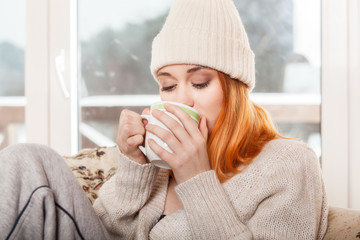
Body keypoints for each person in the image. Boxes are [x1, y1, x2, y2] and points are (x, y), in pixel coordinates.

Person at [0, 0, 328, 239]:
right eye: (168, 86)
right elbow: (102, 228)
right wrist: (133, 167)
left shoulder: (289, 165)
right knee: (29, 158)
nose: (181, 99)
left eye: (199, 83)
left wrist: (195, 179)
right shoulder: (159, 165)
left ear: (234, 88)